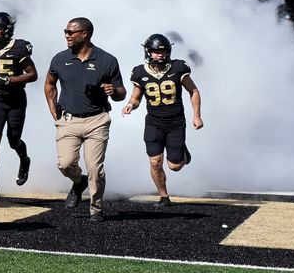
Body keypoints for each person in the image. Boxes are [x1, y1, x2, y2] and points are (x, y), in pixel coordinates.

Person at [43, 16, 125, 222]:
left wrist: (113, 91)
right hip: (68, 120)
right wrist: (53, 108)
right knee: (65, 164)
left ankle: (96, 208)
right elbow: (49, 83)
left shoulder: (107, 60)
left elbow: (121, 92)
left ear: (84, 34)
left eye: (70, 32)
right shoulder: (60, 58)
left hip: (97, 120)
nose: (66, 36)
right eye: (65, 32)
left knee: (95, 168)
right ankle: (78, 182)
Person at [121, 34, 203, 207]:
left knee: (174, 166)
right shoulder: (139, 72)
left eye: (163, 51)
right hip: (154, 123)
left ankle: (183, 154)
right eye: (156, 52)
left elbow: (193, 91)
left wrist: (196, 115)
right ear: (148, 52)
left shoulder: (178, 67)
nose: (160, 55)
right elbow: (136, 98)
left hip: (175, 123)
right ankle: (163, 196)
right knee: (155, 162)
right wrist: (130, 105)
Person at [0, 12, 36, 201]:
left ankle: (24, 160)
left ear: (8, 30)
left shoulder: (19, 47)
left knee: (13, 140)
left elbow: (32, 74)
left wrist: (10, 79)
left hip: (16, 99)